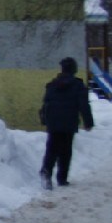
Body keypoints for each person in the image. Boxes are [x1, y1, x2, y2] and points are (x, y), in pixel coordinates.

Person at [38, 56, 94, 188]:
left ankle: (46, 171)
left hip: (53, 122)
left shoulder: (52, 85)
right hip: (69, 122)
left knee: (51, 148)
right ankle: (62, 178)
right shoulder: (78, 86)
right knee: (66, 150)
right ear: (74, 70)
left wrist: (46, 120)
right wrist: (88, 122)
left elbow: (46, 103)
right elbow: (84, 105)